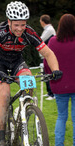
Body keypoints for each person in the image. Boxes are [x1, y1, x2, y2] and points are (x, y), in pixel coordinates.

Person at [0, 1, 62, 145]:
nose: (20, 29)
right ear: (9, 21)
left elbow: (48, 53)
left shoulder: (29, 32)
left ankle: (21, 112)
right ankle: (0, 135)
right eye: (16, 25)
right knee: (5, 95)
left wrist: (55, 69)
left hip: (16, 61)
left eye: (23, 24)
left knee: (29, 84)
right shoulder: (0, 32)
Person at [44, 14, 75, 146]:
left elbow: (46, 63)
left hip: (59, 84)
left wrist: (51, 74)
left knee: (61, 117)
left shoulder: (53, 42)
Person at [40, 14, 56, 100]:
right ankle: (49, 92)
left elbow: (40, 40)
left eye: (40, 20)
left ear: (43, 21)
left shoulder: (49, 29)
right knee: (45, 74)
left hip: (48, 56)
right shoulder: (47, 29)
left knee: (48, 74)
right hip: (44, 56)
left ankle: (52, 94)